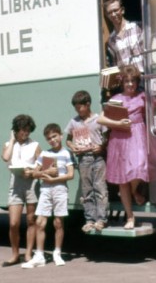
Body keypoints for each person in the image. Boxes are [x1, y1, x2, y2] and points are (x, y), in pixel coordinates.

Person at [97, 65, 149, 229]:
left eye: (133, 81)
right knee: (122, 179)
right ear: (122, 83)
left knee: (139, 166)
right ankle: (130, 217)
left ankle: (134, 192)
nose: (130, 84)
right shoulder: (117, 98)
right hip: (120, 138)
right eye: (126, 81)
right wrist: (117, 123)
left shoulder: (143, 96)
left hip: (137, 135)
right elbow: (101, 119)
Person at [22, 123, 75, 268]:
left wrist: (54, 178)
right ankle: (39, 256)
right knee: (40, 222)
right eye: (49, 138)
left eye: (54, 136)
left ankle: (57, 253)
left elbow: (71, 175)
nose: (52, 140)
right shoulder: (45, 154)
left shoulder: (66, 153)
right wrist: (46, 173)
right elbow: (34, 173)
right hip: (45, 190)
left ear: (60, 136)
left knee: (58, 222)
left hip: (60, 189)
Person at [64, 90, 108, 233]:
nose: (78, 111)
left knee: (100, 188)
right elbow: (68, 140)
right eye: (76, 108)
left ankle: (101, 219)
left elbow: (107, 138)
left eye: (80, 107)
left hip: (98, 158)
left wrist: (102, 147)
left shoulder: (98, 119)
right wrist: (73, 147)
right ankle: (89, 220)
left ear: (87, 104)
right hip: (83, 158)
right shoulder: (74, 122)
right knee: (87, 190)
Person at [0, 114, 40, 267]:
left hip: (31, 184)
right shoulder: (8, 144)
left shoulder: (35, 145)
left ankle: (28, 253)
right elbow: (5, 157)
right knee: (14, 223)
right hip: (15, 184)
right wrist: (11, 140)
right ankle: (15, 254)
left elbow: (42, 163)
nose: (26, 133)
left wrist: (34, 171)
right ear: (16, 130)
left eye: (28, 130)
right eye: (23, 130)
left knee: (31, 220)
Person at [104, 0, 144, 73]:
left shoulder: (138, 27)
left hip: (142, 78)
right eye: (110, 12)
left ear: (122, 10)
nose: (113, 14)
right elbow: (115, 66)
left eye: (115, 10)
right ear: (107, 15)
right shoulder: (111, 40)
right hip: (126, 82)